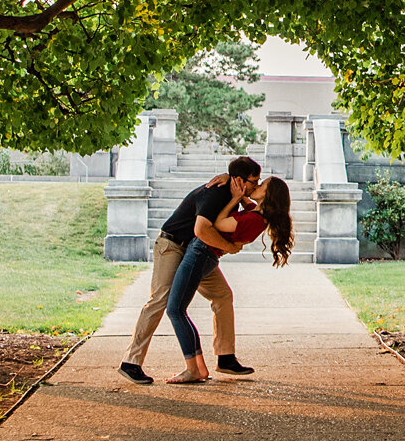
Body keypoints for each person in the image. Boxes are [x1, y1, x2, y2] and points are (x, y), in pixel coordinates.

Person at [119, 156, 260, 384]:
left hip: (195, 253)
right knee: (161, 300)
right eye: (254, 181)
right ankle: (131, 362)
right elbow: (202, 229)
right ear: (239, 180)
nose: (256, 185)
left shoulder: (231, 193)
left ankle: (225, 357)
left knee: (222, 295)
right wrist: (231, 248)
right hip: (172, 246)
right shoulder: (216, 193)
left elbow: (249, 209)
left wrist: (240, 195)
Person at [162, 176, 293, 384]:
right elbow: (246, 200)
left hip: (200, 253)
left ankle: (192, 369)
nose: (256, 186)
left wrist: (233, 200)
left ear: (269, 195)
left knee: (175, 310)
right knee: (222, 296)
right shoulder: (257, 212)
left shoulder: (254, 219)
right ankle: (217, 361)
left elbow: (218, 223)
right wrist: (230, 178)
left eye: (262, 185)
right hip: (206, 255)